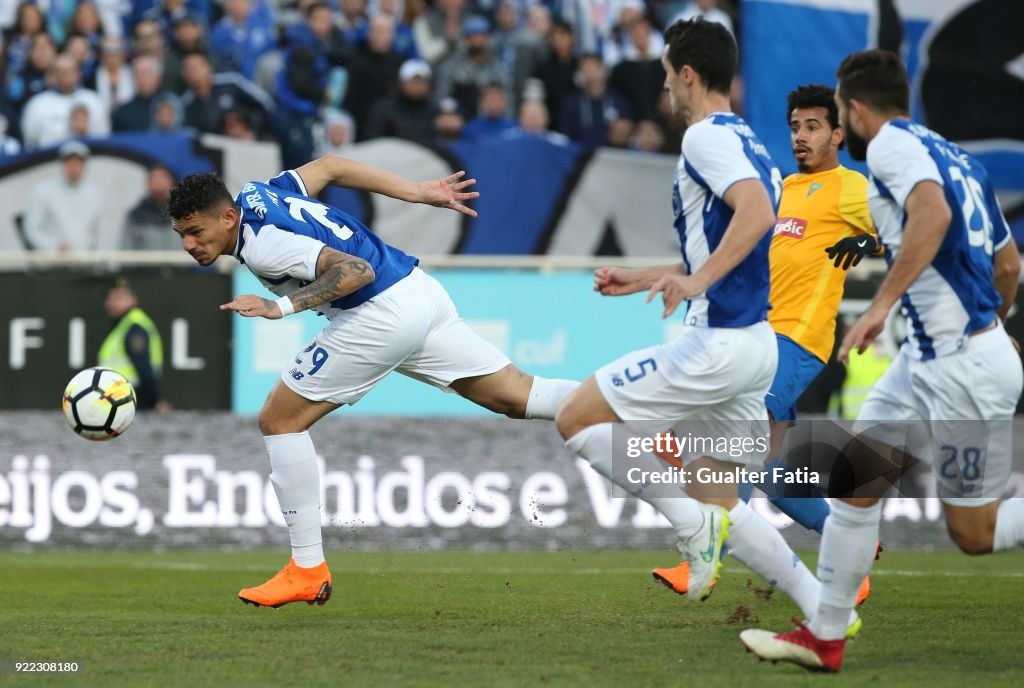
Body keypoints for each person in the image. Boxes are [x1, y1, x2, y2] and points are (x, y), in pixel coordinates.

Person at [555, 19, 859, 636]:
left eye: (668, 79)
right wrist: (648, 277)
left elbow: (756, 211)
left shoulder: (703, 139)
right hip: (755, 347)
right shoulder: (748, 139)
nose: (666, 91)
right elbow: (738, 240)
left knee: (577, 417)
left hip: (718, 344)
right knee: (718, 494)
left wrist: (695, 284)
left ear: (688, 76)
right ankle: (831, 613)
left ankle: (689, 525)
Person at [166, 157, 578, 609]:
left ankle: (306, 568)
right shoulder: (260, 193)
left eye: (196, 232)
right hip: (418, 290)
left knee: (279, 419)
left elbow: (354, 271)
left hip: (379, 311)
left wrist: (277, 309)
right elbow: (331, 167)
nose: (189, 244)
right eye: (181, 235)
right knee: (515, 396)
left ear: (227, 218)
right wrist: (417, 192)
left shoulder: (263, 244)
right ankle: (618, 405)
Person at [740, 49, 1024, 673]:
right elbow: (1009, 266)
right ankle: (826, 635)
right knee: (854, 489)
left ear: (857, 109)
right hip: (927, 362)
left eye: (839, 110)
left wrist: (881, 305)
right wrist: (994, 325)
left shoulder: (893, 148)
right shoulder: (961, 160)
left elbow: (933, 215)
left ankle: (825, 629)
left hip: (959, 369)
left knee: (972, 536)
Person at [650, 84, 881, 601]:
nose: (801, 136)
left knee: (733, 446)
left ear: (838, 134)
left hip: (800, 340)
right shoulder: (781, 189)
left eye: (813, 126)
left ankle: (704, 558)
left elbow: (902, 225)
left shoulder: (850, 187)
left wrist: (867, 239)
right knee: (773, 474)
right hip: (759, 336)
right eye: (795, 126)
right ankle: (853, 552)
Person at [22, 141, 105, 251]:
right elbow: (32, 230)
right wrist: (54, 246)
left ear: (85, 165)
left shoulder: (95, 195)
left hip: (85, 264)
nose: (74, 167)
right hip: (51, 264)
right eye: (70, 162)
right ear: (62, 164)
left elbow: (97, 234)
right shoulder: (43, 191)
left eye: (78, 162)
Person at [99, 282, 167, 412]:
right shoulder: (123, 325)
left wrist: (154, 400)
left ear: (134, 300)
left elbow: (143, 366)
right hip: (120, 399)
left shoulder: (134, 326)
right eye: (110, 298)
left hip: (132, 400)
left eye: (119, 298)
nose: (112, 302)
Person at [123, 165, 179, 251]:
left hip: (181, 264)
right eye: (154, 177)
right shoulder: (136, 216)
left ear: (171, 182)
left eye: (163, 177)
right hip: (144, 264)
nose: (158, 181)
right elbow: (126, 249)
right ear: (147, 183)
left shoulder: (183, 214)